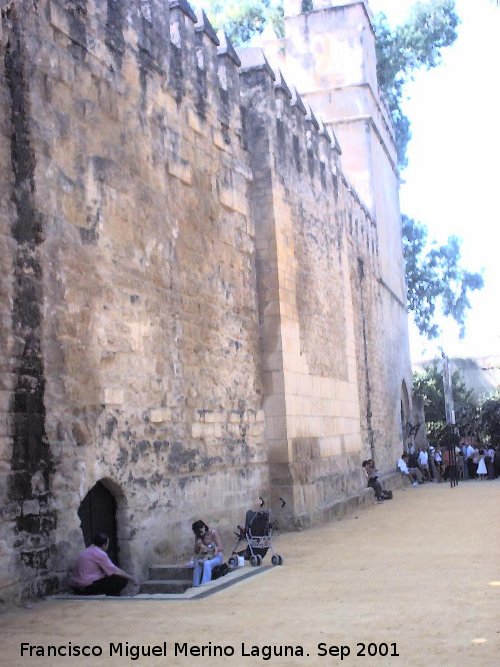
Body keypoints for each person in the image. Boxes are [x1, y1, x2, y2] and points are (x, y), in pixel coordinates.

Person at [70, 533, 138, 596]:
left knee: (107, 577)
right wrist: (132, 578)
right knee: (121, 580)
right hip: (87, 587)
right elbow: (114, 570)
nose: (108, 546)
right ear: (104, 545)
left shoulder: (87, 550)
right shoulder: (100, 553)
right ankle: (112, 599)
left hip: (76, 587)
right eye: (107, 544)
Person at [191, 520, 224, 587]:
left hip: (216, 557)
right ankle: (195, 586)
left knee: (207, 564)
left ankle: (205, 585)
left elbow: (220, 547)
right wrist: (198, 544)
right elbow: (196, 551)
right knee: (198, 563)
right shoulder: (198, 536)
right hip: (205, 557)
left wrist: (211, 549)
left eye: (201, 531)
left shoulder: (213, 533)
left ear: (203, 527)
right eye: (198, 533)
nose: (201, 534)